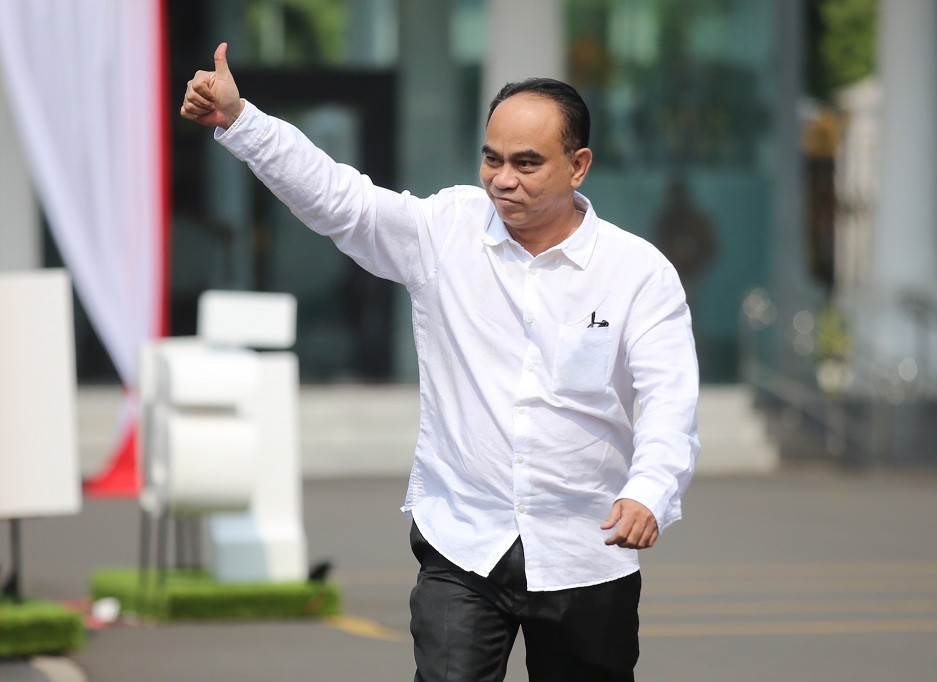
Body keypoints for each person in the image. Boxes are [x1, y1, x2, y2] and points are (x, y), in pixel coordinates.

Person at [182, 43, 700, 681]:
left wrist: (648, 491)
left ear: (579, 166)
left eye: (527, 162)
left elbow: (671, 400)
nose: (502, 179)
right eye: (492, 158)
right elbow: (341, 201)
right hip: (463, 543)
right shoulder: (448, 228)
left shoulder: (638, 273)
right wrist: (242, 121)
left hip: (586, 550)